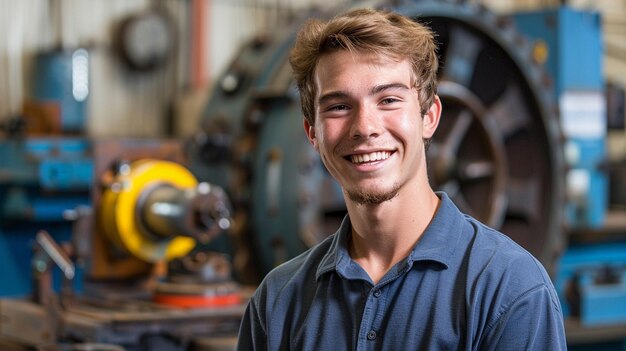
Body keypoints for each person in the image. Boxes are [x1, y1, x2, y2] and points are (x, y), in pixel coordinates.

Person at [237, 7, 567, 350]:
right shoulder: (277, 302)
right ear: (313, 133)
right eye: (338, 106)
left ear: (430, 116)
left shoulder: (509, 290)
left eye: (389, 100)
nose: (365, 127)